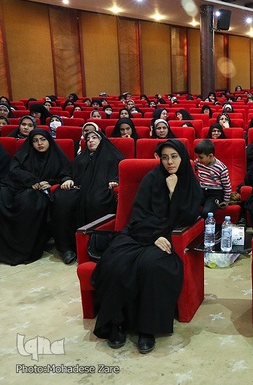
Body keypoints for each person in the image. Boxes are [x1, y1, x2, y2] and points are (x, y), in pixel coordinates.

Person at [90, 140, 203, 354]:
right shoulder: (152, 178)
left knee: (151, 266)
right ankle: (117, 323)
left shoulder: (189, 181)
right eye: (165, 157)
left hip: (169, 236)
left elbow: (188, 217)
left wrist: (173, 192)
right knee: (116, 263)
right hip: (139, 233)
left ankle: (147, 329)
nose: (169, 162)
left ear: (182, 157)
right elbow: (138, 214)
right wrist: (153, 236)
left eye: (174, 157)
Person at [0, 129, 71, 265]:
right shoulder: (25, 155)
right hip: (19, 187)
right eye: (35, 141)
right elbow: (14, 170)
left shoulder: (57, 157)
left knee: (28, 201)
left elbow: (65, 174)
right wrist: (31, 180)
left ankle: (25, 249)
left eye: (43, 140)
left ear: (49, 141)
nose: (39, 143)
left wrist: (49, 183)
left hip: (40, 193)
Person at [52, 131, 124, 265]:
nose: (90, 140)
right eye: (88, 139)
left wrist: (115, 180)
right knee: (63, 202)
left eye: (94, 138)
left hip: (100, 189)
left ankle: (95, 246)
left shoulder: (113, 156)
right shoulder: (82, 157)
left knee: (97, 201)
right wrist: (67, 179)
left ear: (102, 140)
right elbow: (68, 171)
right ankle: (67, 248)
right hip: (79, 189)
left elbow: (121, 172)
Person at [194, 139, 232, 218]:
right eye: (197, 157)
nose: (198, 159)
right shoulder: (198, 162)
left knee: (207, 212)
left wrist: (226, 201)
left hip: (215, 193)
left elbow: (227, 186)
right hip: (201, 190)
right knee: (190, 205)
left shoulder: (221, 168)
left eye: (201, 157)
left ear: (210, 156)